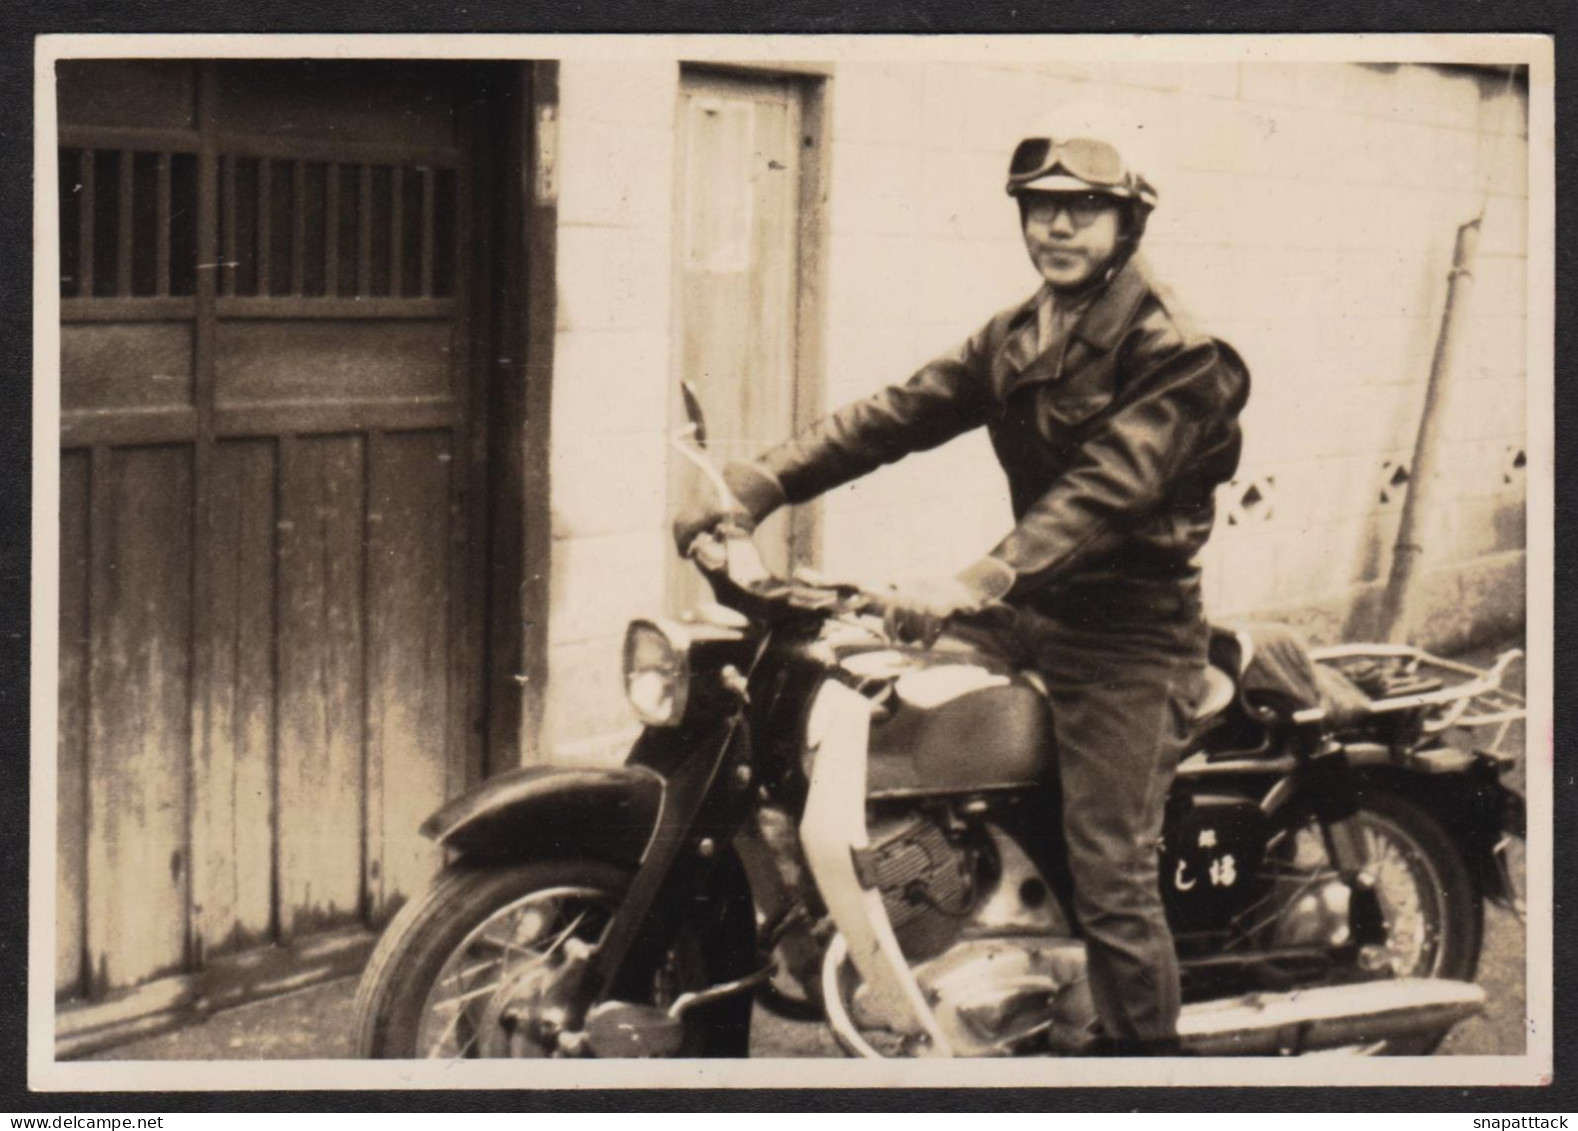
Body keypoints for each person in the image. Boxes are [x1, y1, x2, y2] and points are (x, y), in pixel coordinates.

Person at [674, 104, 1250, 1055]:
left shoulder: (1180, 352)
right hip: (1027, 611)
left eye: (1084, 210)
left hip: (1128, 636)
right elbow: (893, 415)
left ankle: (1147, 1076)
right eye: (1040, 207)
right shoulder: (1022, 330)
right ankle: (939, 937)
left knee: (1111, 870)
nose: (1056, 226)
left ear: (1127, 224)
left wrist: (979, 576)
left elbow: (1104, 495)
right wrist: (760, 481)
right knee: (873, 725)